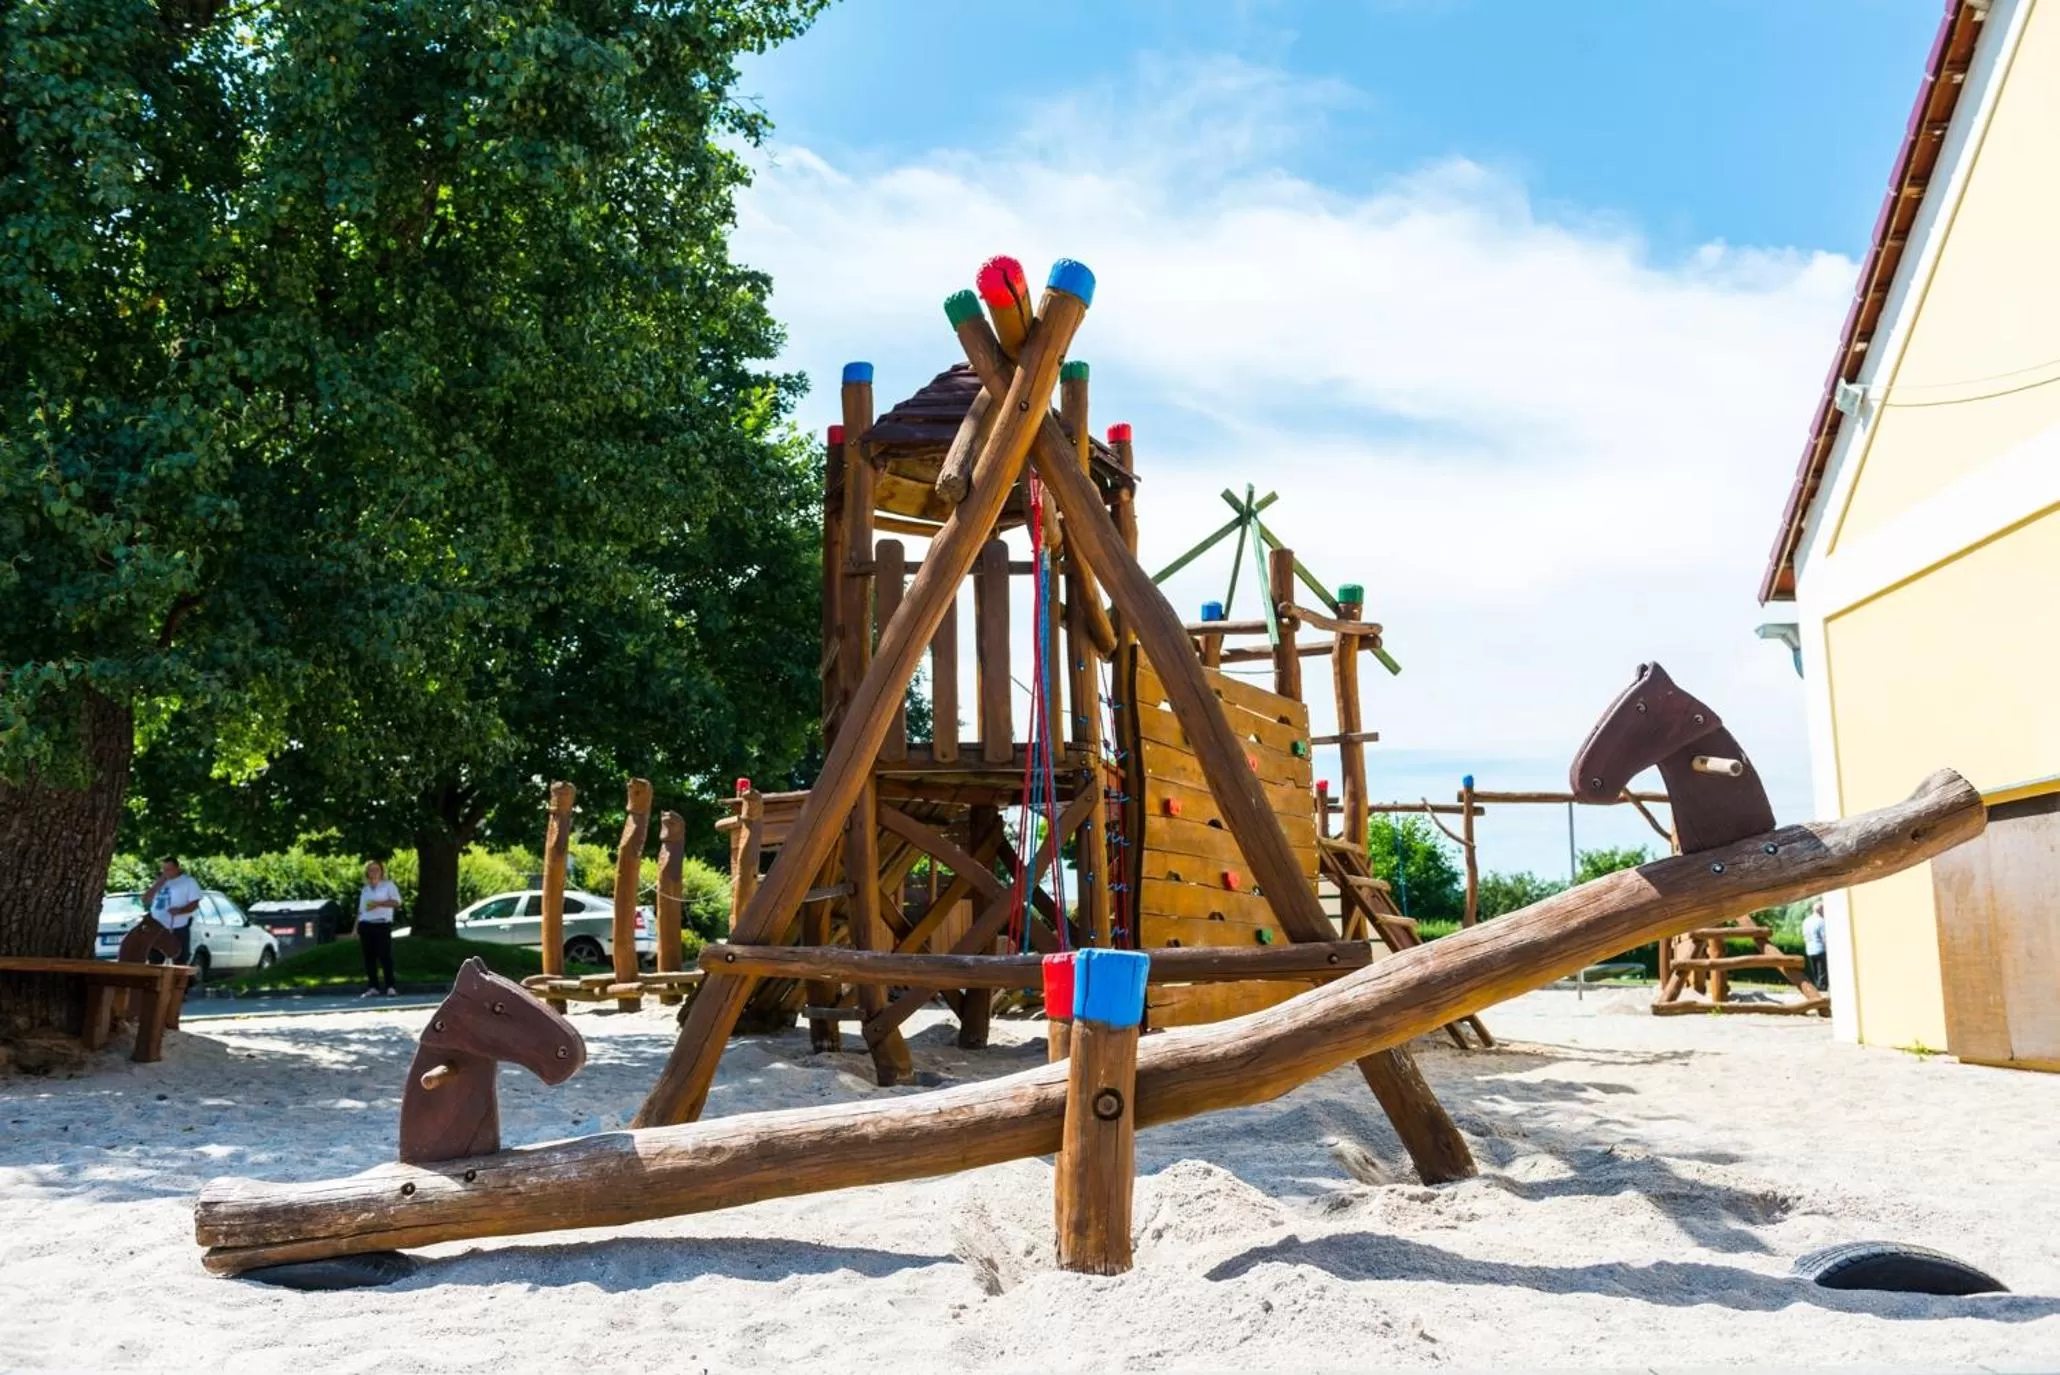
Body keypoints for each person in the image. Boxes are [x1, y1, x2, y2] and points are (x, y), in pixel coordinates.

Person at [141, 858, 204, 968]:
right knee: (154, 960)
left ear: (177, 868)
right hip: (157, 927)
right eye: (164, 870)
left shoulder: (188, 882)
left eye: (169, 869)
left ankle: (177, 984)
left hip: (178, 927)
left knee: (180, 960)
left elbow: (194, 904)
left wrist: (180, 910)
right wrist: (158, 884)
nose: (166, 872)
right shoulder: (160, 882)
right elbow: (145, 899)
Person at [357, 861, 403, 997]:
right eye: (371, 870)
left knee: (385, 955)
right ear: (367, 873)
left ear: (382, 871)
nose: (374, 872)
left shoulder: (388, 886)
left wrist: (379, 904)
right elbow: (360, 910)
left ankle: (390, 986)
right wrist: (355, 929)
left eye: (377, 869)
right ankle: (373, 986)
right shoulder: (365, 889)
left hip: (382, 924)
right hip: (366, 924)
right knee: (369, 957)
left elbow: (396, 903)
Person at [1802, 900, 1829, 994]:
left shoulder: (1806, 921)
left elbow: (1805, 936)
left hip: (1810, 949)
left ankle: (1816, 989)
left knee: (1815, 973)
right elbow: (1824, 937)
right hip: (1820, 949)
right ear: (1820, 910)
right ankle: (1822, 991)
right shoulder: (1821, 921)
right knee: (1822, 972)